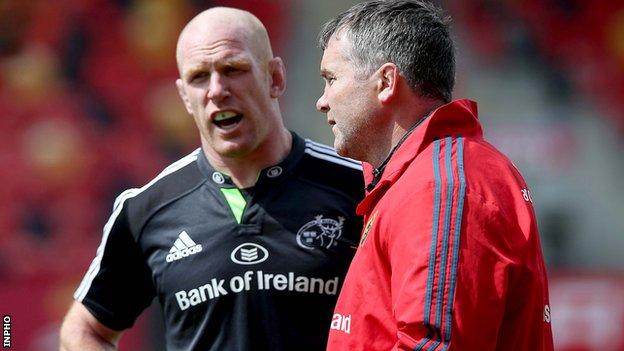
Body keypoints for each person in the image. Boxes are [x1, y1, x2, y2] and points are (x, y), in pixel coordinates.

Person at [60, 7, 364, 351]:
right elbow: (83, 331)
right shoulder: (145, 209)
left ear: (275, 78)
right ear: (184, 97)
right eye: (199, 77)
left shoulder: (358, 185)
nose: (217, 90)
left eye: (233, 69)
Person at [316, 1, 554, 350]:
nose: (322, 101)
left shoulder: (439, 184)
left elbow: (431, 344)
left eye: (331, 79)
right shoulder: (421, 175)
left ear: (386, 82)